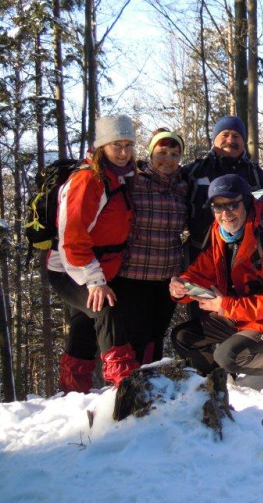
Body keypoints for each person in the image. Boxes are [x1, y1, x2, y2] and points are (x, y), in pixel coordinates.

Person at [169, 174, 263, 389]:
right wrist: (182, 285)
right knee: (183, 337)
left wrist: (226, 305)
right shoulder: (220, 234)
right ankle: (222, 383)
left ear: (246, 203)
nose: (225, 213)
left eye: (232, 205)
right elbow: (201, 271)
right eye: (218, 207)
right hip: (238, 314)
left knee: (228, 356)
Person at [47, 115, 138, 392]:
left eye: (128, 145)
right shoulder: (88, 180)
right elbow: (72, 238)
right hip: (70, 268)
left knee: (83, 326)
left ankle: (73, 392)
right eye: (116, 145)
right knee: (105, 309)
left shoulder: (119, 176)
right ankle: (125, 385)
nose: (123, 152)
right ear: (101, 146)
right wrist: (94, 281)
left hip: (98, 268)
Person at [116, 128, 188, 364]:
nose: (168, 159)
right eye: (162, 152)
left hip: (168, 278)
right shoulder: (133, 182)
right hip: (134, 275)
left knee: (156, 336)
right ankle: (130, 380)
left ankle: (151, 379)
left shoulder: (182, 187)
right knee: (135, 338)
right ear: (151, 153)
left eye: (174, 154)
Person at [182, 115, 263, 264]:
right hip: (200, 254)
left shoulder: (257, 176)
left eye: (236, 136)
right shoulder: (195, 171)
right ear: (214, 139)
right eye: (225, 135)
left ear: (244, 142)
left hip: (245, 258)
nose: (230, 140)